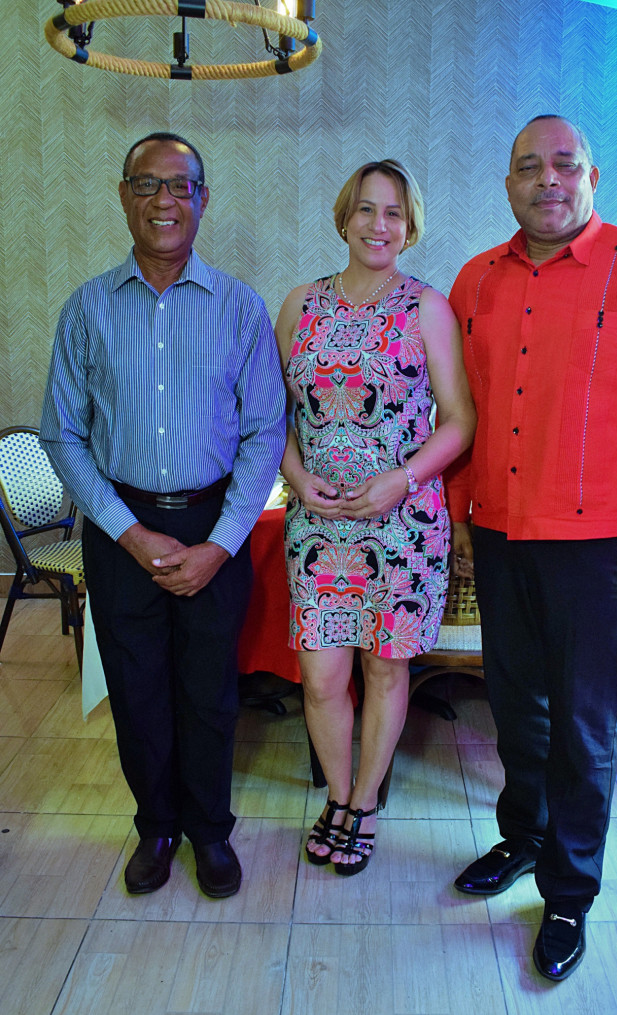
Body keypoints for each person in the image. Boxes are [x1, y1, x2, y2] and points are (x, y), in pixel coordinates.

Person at [445, 115, 617, 981]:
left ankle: (568, 891)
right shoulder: (474, 280)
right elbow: (466, 413)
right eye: (528, 166)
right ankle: (522, 838)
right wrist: (457, 513)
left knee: (588, 726)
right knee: (515, 707)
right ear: (508, 182)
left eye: (564, 164)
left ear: (596, 174)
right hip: (499, 528)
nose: (547, 179)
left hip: (602, 544)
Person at [40, 132, 286, 899]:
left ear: (203, 200)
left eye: (181, 186)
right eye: (147, 185)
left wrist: (218, 543)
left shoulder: (241, 308)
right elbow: (62, 433)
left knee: (209, 689)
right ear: (123, 197)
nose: (164, 201)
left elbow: (264, 432)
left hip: (214, 521)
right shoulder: (86, 310)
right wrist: (128, 530)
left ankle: (210, 831)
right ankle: (157, 826)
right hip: (121, 527)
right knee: (139, 687)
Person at [275, 159, 475, 876]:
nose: (378, 224)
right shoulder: (300, 304)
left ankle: (362, 801)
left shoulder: (428, 307)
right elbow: (276, 421)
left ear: (410, 226)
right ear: (344, 217)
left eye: (393, 212)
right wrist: (296, 477)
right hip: (318, 527)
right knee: (322, 675)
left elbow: (459, 422)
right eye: (365, 209)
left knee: (386, 671)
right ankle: (335, 792)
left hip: (402, 525)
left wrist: (402, 479)